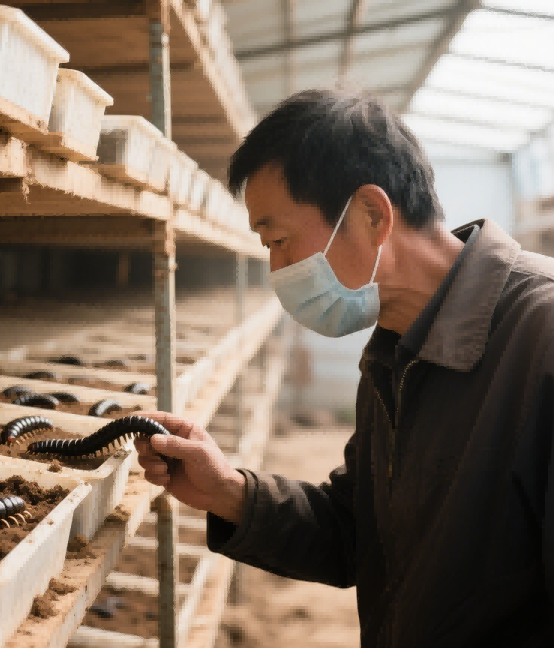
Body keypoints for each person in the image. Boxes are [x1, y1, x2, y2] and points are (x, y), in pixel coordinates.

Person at [135, 89, 554, 647]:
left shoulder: (539, 343)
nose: (276, 269)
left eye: (280, 240)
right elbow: (360, 533)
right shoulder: (395, 347)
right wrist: (229, 492)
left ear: (372, 214)